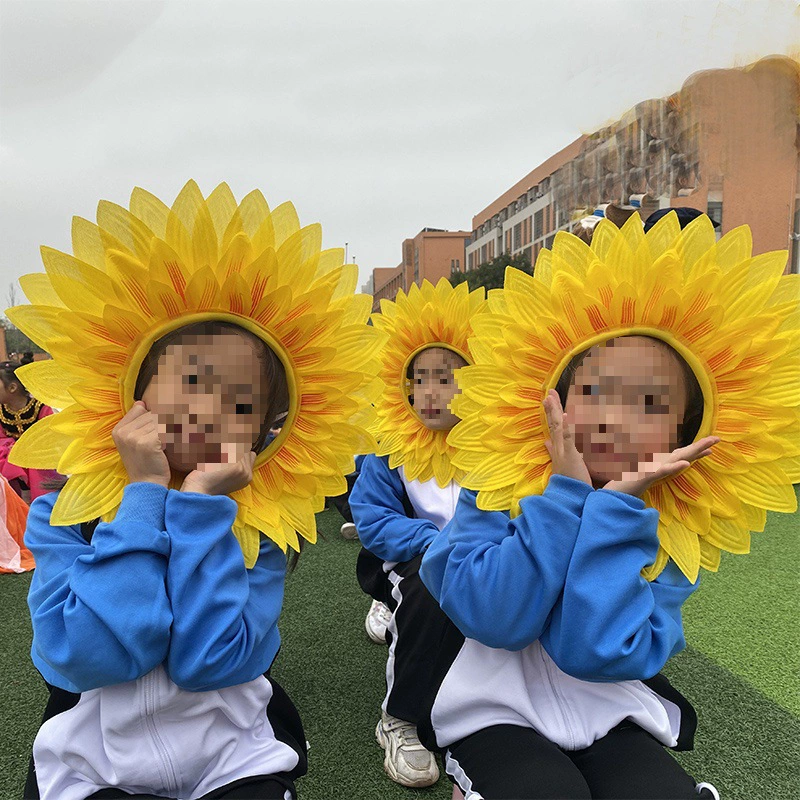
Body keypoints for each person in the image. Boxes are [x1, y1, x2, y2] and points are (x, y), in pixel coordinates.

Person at [14, 180, 383, 800]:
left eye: (238, 401)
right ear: (135, 384)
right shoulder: (63, 516)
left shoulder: (257, 528)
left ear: (266, 428)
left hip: (232, 757)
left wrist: (202, 511)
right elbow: (82, 659)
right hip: (92, 768)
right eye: (189, 378)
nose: (207, 409)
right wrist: (143, 500)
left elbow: (210, 664)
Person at [417, 211, 797, 798]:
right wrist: (565, 498)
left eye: (648, 402)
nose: (613, 419)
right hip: (493, 714)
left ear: (685, 432)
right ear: (557, 398)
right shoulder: (496, 488)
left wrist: (614, 516)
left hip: (610, 708)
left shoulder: (673, 524)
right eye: (593, 391)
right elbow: (495, 618)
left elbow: (593, 653)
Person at [351, 278, 486, 788]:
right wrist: (434, 544)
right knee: (432, 595)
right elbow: (372, 518)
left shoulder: (493, 441)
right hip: (415, 556)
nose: (430, 392)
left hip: (481, 553)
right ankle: (400, 717)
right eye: (420, 378)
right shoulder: (391, 447)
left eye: (447, 378)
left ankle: (493, 709)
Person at [0, 360, 59, 502]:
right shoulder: (1, 411)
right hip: (11, 464)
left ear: (12, 388)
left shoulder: (41, 408)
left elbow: (50, 436)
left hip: (38, 460)